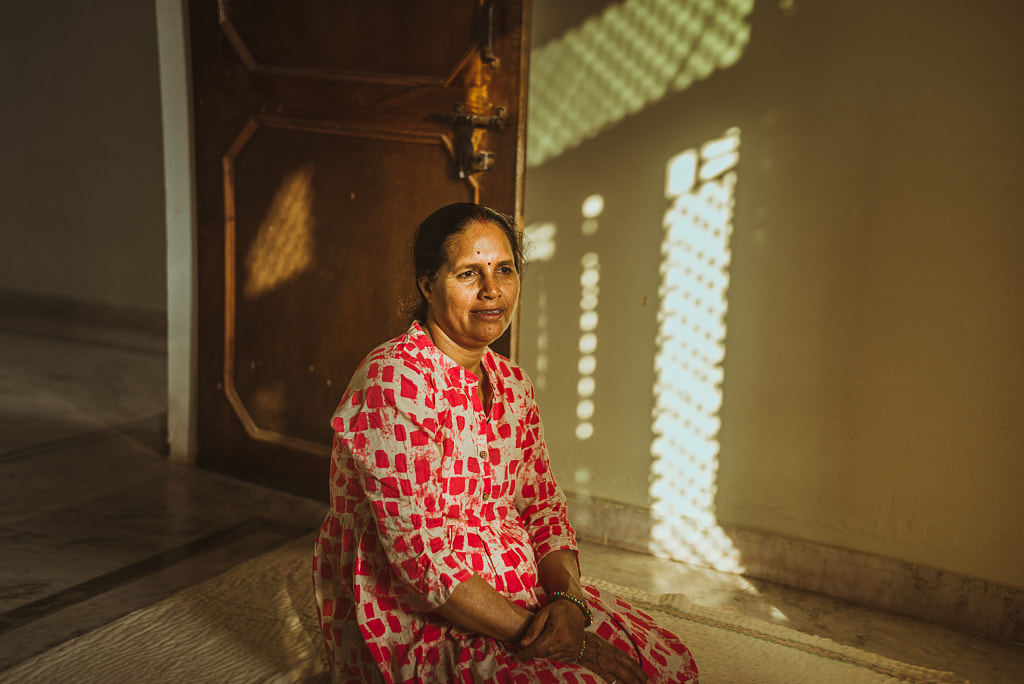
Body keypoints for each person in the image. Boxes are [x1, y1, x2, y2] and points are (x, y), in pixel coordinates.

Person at [313, 203, 699, 683]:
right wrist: (553, 640)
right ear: (427, 284)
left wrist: (568, 602)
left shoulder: (511, 382)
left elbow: (543, 507)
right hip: (420, 609)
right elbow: (421, 561)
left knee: (666, 666)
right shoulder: (394, 381)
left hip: (517, 591)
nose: (492, 290)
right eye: (469, 273)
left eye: (504, 270)